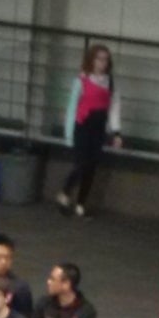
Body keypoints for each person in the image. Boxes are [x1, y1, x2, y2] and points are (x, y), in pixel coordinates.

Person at [55, 44, 118, 216]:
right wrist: (69, 135)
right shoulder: (81, 80)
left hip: (99, 128)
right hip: (82, 125)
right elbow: (72, 107)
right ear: (91, 60)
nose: (102, 63)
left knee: (91, 167)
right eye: (99, 59)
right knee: (81, 164)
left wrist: (116, 131)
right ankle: (65, 192)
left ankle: (81, 204)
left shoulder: (109, 82)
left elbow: (113, 107)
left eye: (105, 59)